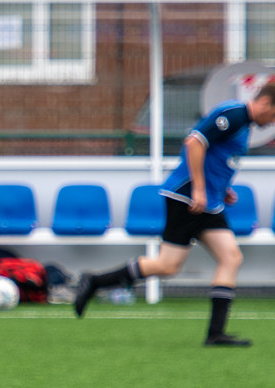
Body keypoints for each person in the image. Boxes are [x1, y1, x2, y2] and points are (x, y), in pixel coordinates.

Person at [73, 83, 275, 346]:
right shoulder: (234, 114)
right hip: (188, 199)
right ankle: (96, 281)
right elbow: (194, 143)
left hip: (209, 203)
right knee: (169, 265)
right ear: (265, 104)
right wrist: (200, 189)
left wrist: (221, 189)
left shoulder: (243, 124)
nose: (271, 122)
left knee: (229, 257)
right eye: (273, 116)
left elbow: (217, 157)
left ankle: (215, 334)